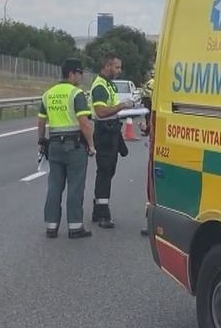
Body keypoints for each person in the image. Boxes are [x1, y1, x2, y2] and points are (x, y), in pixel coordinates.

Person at [37, 58, 95, 239]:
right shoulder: (76, 94)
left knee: (54, 186)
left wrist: (41, 141)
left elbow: (41, 121)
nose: (81, 77)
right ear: (71, 73)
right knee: (75, 186)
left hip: (53, 146)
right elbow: (84, 122)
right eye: (80, 73)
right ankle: (75, 227)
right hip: (74, 146)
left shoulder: (48, 94)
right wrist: (91, 145)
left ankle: (51, 226)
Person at [89, 54, 136, 229]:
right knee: (105, 171)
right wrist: (122, 106)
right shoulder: (100, 86)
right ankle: (102, 213)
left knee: (108, 171)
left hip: (111, 131)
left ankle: (97, 208)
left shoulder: (108, 85)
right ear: (107, 66)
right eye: (116, 67)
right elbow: (101, 111)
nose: (119, 71)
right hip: (104, 132)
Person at [139, 72, 155, 137]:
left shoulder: (151, 82)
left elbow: (151, 91)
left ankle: (148, 131)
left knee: (149, 116)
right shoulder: (148, 82)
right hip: (146, 99)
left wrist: (144, 88)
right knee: (147, 116)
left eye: (147, 75)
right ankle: (148, 131)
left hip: (149, 99)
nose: (146, 77)